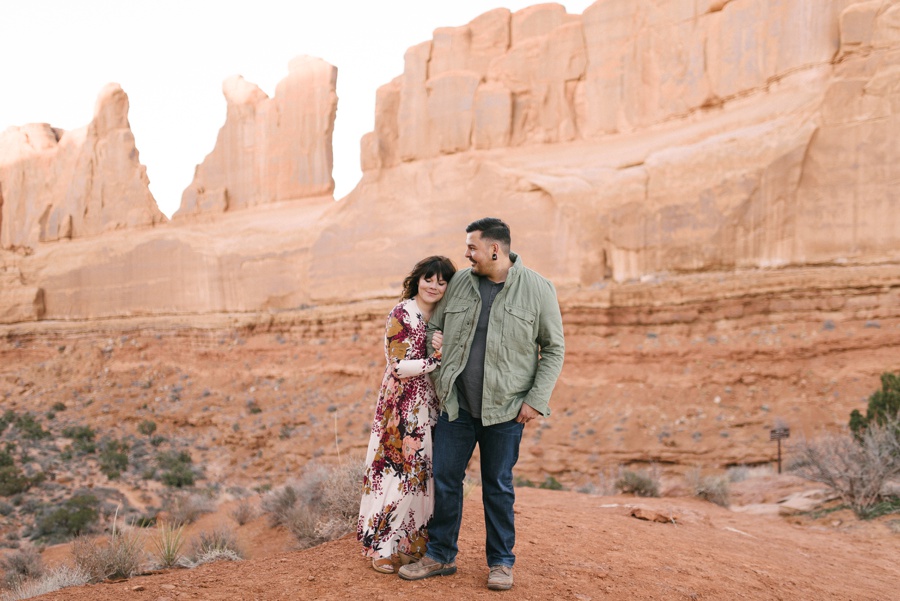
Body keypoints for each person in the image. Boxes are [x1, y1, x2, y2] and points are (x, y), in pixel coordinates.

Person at [398, 218, 565, 591]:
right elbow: (433, 330)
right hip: (457, 407)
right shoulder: (459, 283)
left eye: (472, 248)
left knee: (498, 486)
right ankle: (440, 556)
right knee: (445, 481)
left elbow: (553, 349)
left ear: (495, 249)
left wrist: (536, 400)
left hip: (506, 411)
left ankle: (501, 563)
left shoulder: (538, 289)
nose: (466, 254)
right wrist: (437, 361)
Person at [357, 255, 457, 574]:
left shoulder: (443, 318)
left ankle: (410, 546)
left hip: (430, 408)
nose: (434, 286)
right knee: (399, 476)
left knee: (422, 478)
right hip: (402, 407)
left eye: (442, 282)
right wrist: (438, 359)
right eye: (429, 278)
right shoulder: (402, 312)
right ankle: (381, 549)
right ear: (417, 279)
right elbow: (398, 367)